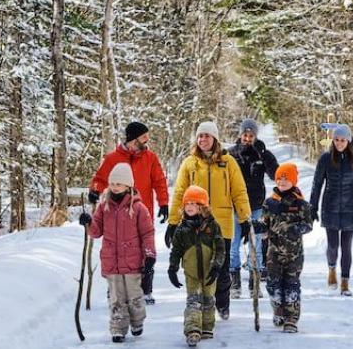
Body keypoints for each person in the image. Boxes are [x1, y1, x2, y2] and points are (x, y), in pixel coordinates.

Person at [165, 121, 252, 320]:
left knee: (221, 270)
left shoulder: (228, 162)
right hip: (196, 225)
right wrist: (173, 221)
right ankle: (205, 307)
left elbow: (238, 191)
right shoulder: (189, 163)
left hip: (222, 224)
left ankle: (223, 302)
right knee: (201, 267)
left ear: (215, 139)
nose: (203, 139)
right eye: (200, 136)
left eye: (207, 136)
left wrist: (244, 218)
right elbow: (179, 193)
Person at [88, 121, 169, 304]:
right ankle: (115, 290)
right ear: (133, 140)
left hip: (143, 213)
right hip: (116, 214)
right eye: (144, 137)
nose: (147, 140)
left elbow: (159, 181)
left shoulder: (150, 157)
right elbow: (100, 178)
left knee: (146, 251)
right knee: (118, 250)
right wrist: (94, 190)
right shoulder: (113, 158)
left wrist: (163, 203)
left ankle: (146, 290)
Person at [79, 163, 155, 343]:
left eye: (118, 184)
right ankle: (118, 327)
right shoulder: (104, 207)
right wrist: (88, 223)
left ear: (128, 185)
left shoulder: (138, 208)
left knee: (134, 296)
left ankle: (137, 321)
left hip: (132, 262)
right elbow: (96, 232)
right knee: (116, 297)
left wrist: (150, 255)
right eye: (112, 183)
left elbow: (147, 233)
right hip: (111, 262)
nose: (114, 186)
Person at [310, 124, 353, 296]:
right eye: (336, 140)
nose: (339, 143)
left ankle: (345, 282)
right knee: (333, 245)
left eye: (342, 140)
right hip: (330, 207)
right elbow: (317, 184)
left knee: (346, 247)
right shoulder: (325, 159)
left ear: (349, 140)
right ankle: (331, 269)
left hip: (350, 208)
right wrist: (312, 207)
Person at [253, 162, 312, 333]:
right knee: (273, 285)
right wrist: (256, 227)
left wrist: (294, 229)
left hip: (294, 254)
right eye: (279, 178)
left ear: (293, 181)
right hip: (274, 253)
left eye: (286, 179)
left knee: (291, 285)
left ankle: (291, 319)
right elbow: (265, 225)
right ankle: (278, 310)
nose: (282, 182)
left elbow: (308, 225)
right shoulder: (270, 202)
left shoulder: (301, 204)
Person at [168, 186, 225, 347]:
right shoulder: (181, 229)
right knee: (193, 300)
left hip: (209, 272)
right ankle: (193, 329)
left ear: (203, 206)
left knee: (208, 300)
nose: (190, 206)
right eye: (187, 203)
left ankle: (206, 327)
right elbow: (176, 250)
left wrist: (216, 266)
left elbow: (220, 248)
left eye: (194, 203)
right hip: (191, 273)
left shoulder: (213, 226)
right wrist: (172, 268)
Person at [227, 118, 278, 299]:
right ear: (240, 135)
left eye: (251, 136)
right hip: (235, 206)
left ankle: (254, 282)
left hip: (256, 205)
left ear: (255, 137)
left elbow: (275, 174)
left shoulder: (261, 154)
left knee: (255, 244)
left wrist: (264, 154)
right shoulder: (231, 154)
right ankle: (234, 283)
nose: (248, 139)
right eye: (245, 135)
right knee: (233, 245)